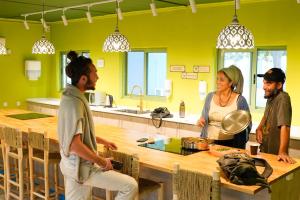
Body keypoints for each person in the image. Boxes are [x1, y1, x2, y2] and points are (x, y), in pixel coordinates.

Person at [57, 51, 138, 200]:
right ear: (83, 79)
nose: (97, 77)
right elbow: (75, 145)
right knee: (130, 185)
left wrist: (101, 141)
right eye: (95, 73)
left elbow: (77, 134)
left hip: (72, 166)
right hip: (80, 168)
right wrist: (102, 162)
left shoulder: (70, 97)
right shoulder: (74, 103)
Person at [197, 65, 251, 149]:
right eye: (217, 79)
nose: (217, 82)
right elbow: (203, 117)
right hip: (209, 141)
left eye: (221, 80)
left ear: (230, 83)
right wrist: (201, 121)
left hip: (231, 144)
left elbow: (247, 123)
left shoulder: (240, 100)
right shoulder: (210, 96)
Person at [256, 68, 295, 164]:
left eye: (268, 84)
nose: (264, 87)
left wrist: (283, 152)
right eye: (264, 83)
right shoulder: (271, 97)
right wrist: (259, 128)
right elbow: (265, 115)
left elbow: (285, 126)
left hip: (276, 155)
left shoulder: (283, 98)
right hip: (265, 150)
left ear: (279, 85)